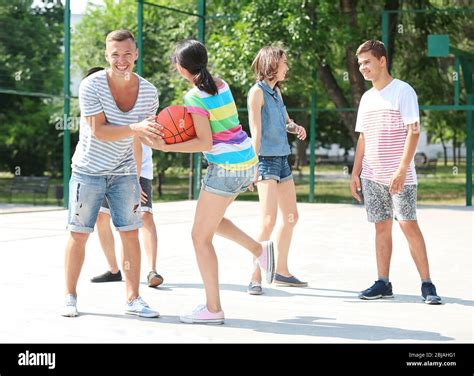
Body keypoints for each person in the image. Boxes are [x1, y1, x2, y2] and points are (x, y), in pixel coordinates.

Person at [149, 39, 275, 324]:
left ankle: (213, 309)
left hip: (226, 167)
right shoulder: (222, 84)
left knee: (199, 237)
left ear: (182, 68)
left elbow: (204, 141)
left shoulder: (194, 98)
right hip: (245, 162)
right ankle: (258, 249)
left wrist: (166, 146)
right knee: (213, 222)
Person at [62, 29, 161, 317]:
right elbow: (100, 131)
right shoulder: (91, 85)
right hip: (88, 171)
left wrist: (139, 175)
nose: (121, 60)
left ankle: (134, 299)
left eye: (127, 54)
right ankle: (70, 297)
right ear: (107, 55)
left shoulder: (149, 93)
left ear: (136, 54)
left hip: (125, 174)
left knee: (130, 233)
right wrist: (135, 128)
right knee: (79, 234)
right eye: (115, 54)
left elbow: (142, 138)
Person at [350, 40, 442, 305]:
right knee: (381, 227)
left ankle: (427, 284)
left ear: (382, 60)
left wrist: (402, 169)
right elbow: (363, 138)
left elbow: (414, 130)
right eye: (359, 64)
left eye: (367, 62)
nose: (362, 68)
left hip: (400, 175)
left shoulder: (403, 91)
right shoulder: (367, 98)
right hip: (371, 175)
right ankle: (383, 283)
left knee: (408, 225)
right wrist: (355, 172)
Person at [82, 68, 164, 288]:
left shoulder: (131, 97)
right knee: (101, 217)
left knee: (143, 217)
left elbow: (136, 142)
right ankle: (114, 269)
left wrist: (135, 181)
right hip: (107, 170)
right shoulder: (95, 109)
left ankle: (152, 270)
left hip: (136, 170)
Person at [246, 46, 307, 295]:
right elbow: (256, 133)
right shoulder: (256, 93)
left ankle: (281, 271)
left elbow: (285, 122)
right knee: (268, 220)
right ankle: (255, 276)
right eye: (284, 63)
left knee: (291, 216)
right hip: (266, 161)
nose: (287, 67)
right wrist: (253, 167)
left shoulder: (276, 92)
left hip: (283, 160)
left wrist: (296, 128)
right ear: (272, 64)